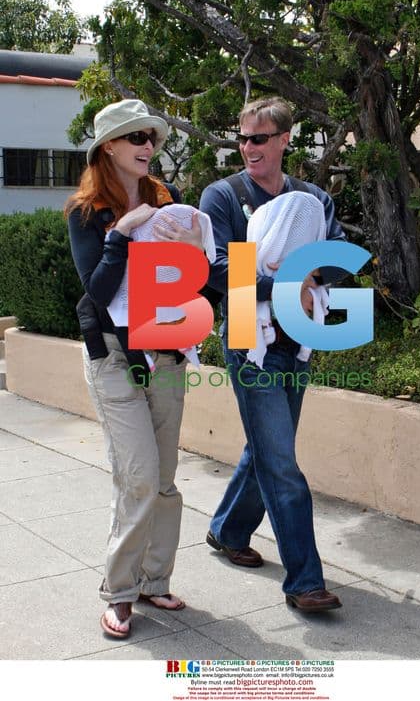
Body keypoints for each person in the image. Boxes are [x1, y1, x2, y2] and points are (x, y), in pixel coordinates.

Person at [199, 96, 345, 613]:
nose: (247, 147)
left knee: (266, 446)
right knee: (281, 460)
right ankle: (304, 582)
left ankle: (227, 530)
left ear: (285, 139)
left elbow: (342, 257)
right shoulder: (224, 196)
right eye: (241, 137)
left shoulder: (313, 199)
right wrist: (289, 282)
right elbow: (216, 268)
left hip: (299, 338)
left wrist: (316, 278)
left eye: (258, 138)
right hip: (247, 336)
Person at [65, 98, 203, 638]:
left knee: (165, 478)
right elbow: (97, 291)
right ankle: (119, 592)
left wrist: (194, 248)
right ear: (110, 147)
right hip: (113, 353)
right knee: (140, 474)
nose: (149, 146)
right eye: (137, 137)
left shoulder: (170, 204)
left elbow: (200, 282)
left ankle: (154, 579)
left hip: (165, 347)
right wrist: (122, 231)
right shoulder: (85, 212)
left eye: (151, 137)